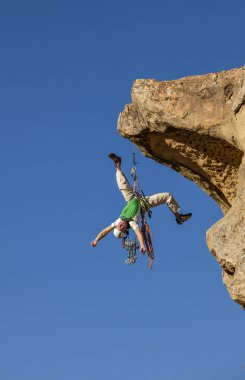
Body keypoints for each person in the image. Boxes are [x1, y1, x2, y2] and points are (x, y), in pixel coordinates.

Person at [90, 153, 192, 253]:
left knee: (121, 184)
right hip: (144, 204)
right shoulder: (132, 224)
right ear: (125, 230)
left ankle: (117, 165)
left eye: (118, 226)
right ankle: (179, 218)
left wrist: (96, 240)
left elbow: (105, 231)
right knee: (167, 196)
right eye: (121, 228)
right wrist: (142, 245)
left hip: (131, 198)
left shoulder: (118, 222)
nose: (120, 225)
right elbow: (139, 234)